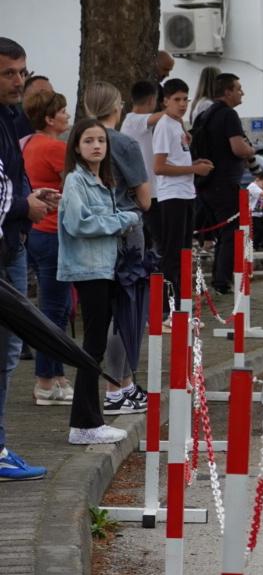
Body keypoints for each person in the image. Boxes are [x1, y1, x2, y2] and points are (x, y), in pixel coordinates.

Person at [57, 118, 142, 446]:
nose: (96, 146)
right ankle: (84, 423)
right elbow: (79, 224)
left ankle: (88, 421)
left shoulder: (102, 180)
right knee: (92, 347)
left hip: (106, 269)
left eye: (101, 141)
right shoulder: (76, 181)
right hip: (88, 270)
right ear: (76, 146)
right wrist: (124, 219)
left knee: (96, 345)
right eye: (89, 140)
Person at [0, 36, 54, 481]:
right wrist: (24, 207)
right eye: (8, 73)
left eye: (22, 71)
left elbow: (8, 182)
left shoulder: (10, 116)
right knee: (4, 351)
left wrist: (30, 197)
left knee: (9, 349)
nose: (19, 81)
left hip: (13, 243)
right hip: (6, 245)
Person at [85, 80, 154, 416]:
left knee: (105, 309)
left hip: (91, 231)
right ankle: (117, 388)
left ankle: (123, 384)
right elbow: (144, 198)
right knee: (126, 310)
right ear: (117, 107)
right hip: (125, 230)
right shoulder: (123, 143)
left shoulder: (80, 139)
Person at [21, 87, 72, 405]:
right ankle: (45, 380)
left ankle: (56, 375)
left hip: (34, 232)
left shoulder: (26, 143)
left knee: (54, 306)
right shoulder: (54, 147)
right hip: (52, 231)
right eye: (63, 111)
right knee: (55, 308)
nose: (68, 115)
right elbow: (74, 184)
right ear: (51, 118)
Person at [150, 78, 213, 311]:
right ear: (165, 101)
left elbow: (177, 160)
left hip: (186, 193)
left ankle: (181, 304)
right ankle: (167, 308)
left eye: (185, 99)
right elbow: (159, 167)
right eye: (176, 100)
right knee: (173, 253)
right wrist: (194, 169)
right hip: (172, 196)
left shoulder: (178, 124)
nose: (182, 104)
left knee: (185, 251)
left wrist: (194, 163)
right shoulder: (165, 125)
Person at [192, 72, 254, 294]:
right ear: (227, 92)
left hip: (205, 182)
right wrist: (251, 150)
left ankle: (220, 278)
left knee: (220, 233)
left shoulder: (204, 114)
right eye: (238, 88)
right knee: (231, 231)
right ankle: (222, 281)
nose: (242, 92)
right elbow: (238, 147)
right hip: (224, 182)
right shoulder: (228, 115)